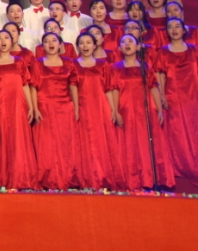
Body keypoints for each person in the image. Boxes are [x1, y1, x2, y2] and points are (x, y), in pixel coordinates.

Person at [109, 33, 175, 190]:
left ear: (138, 46)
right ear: (119, 48)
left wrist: (159, 110)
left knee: (147, 144)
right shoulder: (115, 68)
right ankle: (132, 181)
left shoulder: (145, 67)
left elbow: (153, 88)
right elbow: (115, 90)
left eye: (130, 41)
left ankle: (149, 179)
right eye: (123, 42)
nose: (127, 44)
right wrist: (116, 111)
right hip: (126, 110)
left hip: (145, 111)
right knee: (129, 144)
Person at [73, 32, 124, 190]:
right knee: (84, 143)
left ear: (95, 45)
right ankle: (86, 179)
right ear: (78, 46)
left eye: (89, 42)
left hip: (100, 106)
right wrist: (76, 108)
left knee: (100, 141)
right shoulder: (73, 65)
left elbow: (108, 89)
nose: (85, 46)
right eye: (82, 43)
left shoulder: (103, 65)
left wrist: (113, 110)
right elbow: (72, 87)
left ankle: (103, 177)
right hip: (82, 106)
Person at [32, 32, 81, 190]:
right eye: (46, 41)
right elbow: (34, 87)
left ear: (60, 44)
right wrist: (35, 108)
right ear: (42, 46)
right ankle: (48, 179)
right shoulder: (37, 63)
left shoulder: (69, 63)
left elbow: (73, 85)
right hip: (44, 106)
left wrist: (76, 107)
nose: (50, 43)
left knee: (65, 143)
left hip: (64, 106)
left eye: (54, 40)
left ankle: (67, 177)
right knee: (47, 145)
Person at [0, 29, 38, 189]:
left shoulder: (20, 62)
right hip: (1, 104)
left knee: (20, 138)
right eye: (0, 38)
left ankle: (22, 177)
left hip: (19, 104)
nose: (3, 41)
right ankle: (5, 178)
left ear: (12, 41)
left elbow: (25, 84)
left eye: (6, 38)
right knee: (5, 138)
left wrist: (30, 106)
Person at [154, 17, 198, 184]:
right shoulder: (163, 52)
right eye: (170, 27)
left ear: (184, 29)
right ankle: (181, 167)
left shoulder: (194, 50)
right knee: (177, 133)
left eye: (177, 26)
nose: (174, 29)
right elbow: (159, 75)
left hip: (193, 97)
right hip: (173, 97)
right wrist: (162, 95)